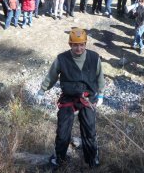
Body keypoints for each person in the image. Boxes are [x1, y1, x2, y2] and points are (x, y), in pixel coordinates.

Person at [36, 27, 105, 169]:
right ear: (70, 45)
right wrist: (42, 90)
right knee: (62, 132)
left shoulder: (94, 58)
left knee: (89, 130)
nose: (78, 48)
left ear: (85, 44)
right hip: (68, 98)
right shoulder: (62, 59)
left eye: (81, 44)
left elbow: (100, 77)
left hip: (88, 98)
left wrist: (101, 94)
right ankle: (59, 159)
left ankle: (92, 159)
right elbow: (51, 76)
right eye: (75, 45)